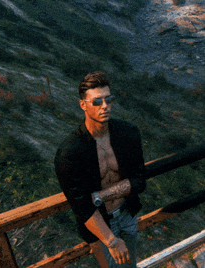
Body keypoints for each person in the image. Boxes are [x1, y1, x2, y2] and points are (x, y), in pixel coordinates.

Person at [54, 71, 147, 267]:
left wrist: (98, 196)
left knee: (129, 265)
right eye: (97, 102)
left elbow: (139, 180)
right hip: (100, 225)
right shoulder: (70, 152)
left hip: (127, 211)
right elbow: (82, 207)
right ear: (83, 105)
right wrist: (111, 241)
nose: (105, 106)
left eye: (109, 99)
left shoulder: (128, 133)